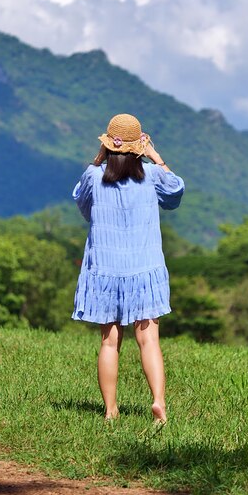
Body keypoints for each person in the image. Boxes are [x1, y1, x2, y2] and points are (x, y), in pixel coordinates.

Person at [71, 113, 185, 424]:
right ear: (139, 148)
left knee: (110, 341)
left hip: (106, 269)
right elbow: (174, 193)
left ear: (108, 145)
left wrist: (98, 160)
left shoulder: (94, 176)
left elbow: (83, 206)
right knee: (149, 340)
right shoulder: (151, 176)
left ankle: (110, 411)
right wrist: (156, 157)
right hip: (144, 269)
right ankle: (158, 403)